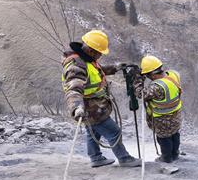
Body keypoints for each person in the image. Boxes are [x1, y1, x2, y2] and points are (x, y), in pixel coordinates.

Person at [62, 30, 141, 168]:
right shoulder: (77, 65)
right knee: (114, 131)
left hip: (92, 107)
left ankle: (96, 158)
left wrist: (115, 68)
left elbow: (98, 70)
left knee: (93, 132)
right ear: (92, 50)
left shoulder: (86, 59)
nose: (100, 56)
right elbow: (73, 88)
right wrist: (76, 107)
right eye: (99, 52)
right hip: (92, 108)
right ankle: (124, 158)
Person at [133, 55, 182, 163]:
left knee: (164, 138)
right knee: (174, 134)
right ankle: (175, 154)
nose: (148, 78)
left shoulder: (157, 87)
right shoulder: (173, 75)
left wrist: (138, 79)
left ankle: (166, 158)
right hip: (176, 115)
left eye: (148, 75)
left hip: (162, 119)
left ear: (153, 74)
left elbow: (140, 94)